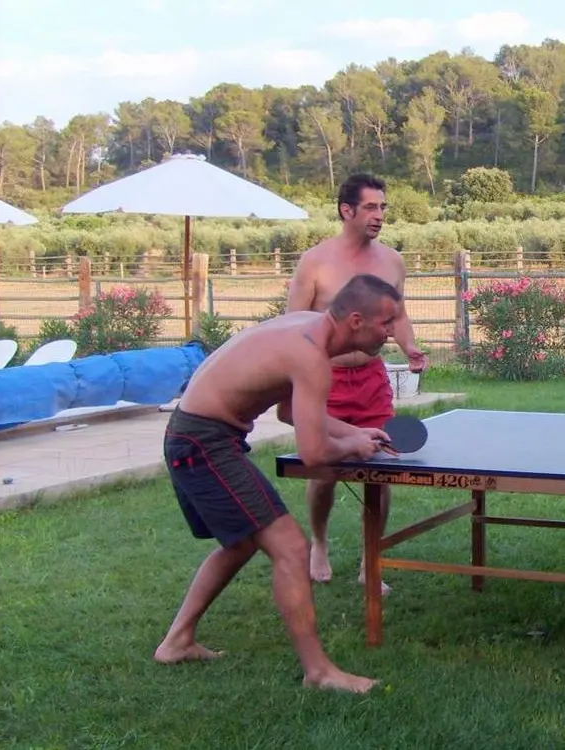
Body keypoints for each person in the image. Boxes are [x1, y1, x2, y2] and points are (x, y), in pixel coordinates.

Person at [156, 273, 404, 694]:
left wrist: (351, 433)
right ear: (357, 320)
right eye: (387, 322)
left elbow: (290, 413)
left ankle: (177, 642)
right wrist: (352, 447)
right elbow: (313, 454)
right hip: (203, 440)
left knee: (240, 543)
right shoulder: (309, 356)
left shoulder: (308, 331)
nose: (392, 332)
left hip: (199, 434)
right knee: (290, 547)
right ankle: (319, 672)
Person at [286, 173, 429, 594]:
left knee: (379, 470)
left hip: (371, 379)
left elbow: (397, 316)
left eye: (383, 207)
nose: (379, 216)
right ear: (346, 210)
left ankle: (372, 560)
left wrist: (410, 347)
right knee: (324, 470)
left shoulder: (392, 262)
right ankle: (320, 541)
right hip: (324, 380)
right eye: (371, 207)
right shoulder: (315, 262)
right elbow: (292, 325)